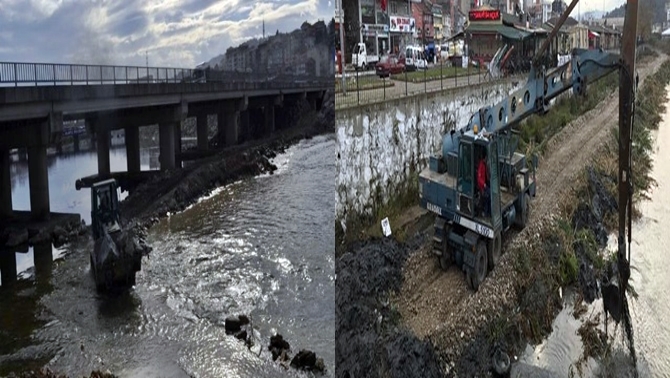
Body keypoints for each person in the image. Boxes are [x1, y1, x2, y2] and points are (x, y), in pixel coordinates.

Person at [477, 152, 490, 217]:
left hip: (484, 184)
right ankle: (484, 213)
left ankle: (487, 212)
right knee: (486, 198)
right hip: (481, 186)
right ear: (484, 158)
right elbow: (479, 178)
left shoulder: (484, 165)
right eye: (486, 158)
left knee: (487, 198)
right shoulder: (481, 165)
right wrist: (484, 184)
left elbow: (486, 174)